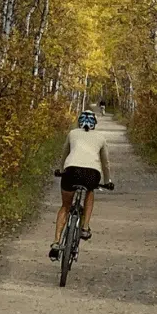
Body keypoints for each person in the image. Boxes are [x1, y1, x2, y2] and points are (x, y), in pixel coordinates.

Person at [49, 110, 112, 260]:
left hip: (71, 171)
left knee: (65, 206)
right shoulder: (101, 137)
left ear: (79, 122)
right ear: (94, 124)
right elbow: (105, 163)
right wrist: (108, 181)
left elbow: (65, 153)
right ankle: (84, 227)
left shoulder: (72, 133)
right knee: (90, 192)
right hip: (92, 174)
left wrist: (61, 170)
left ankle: (56, 242)